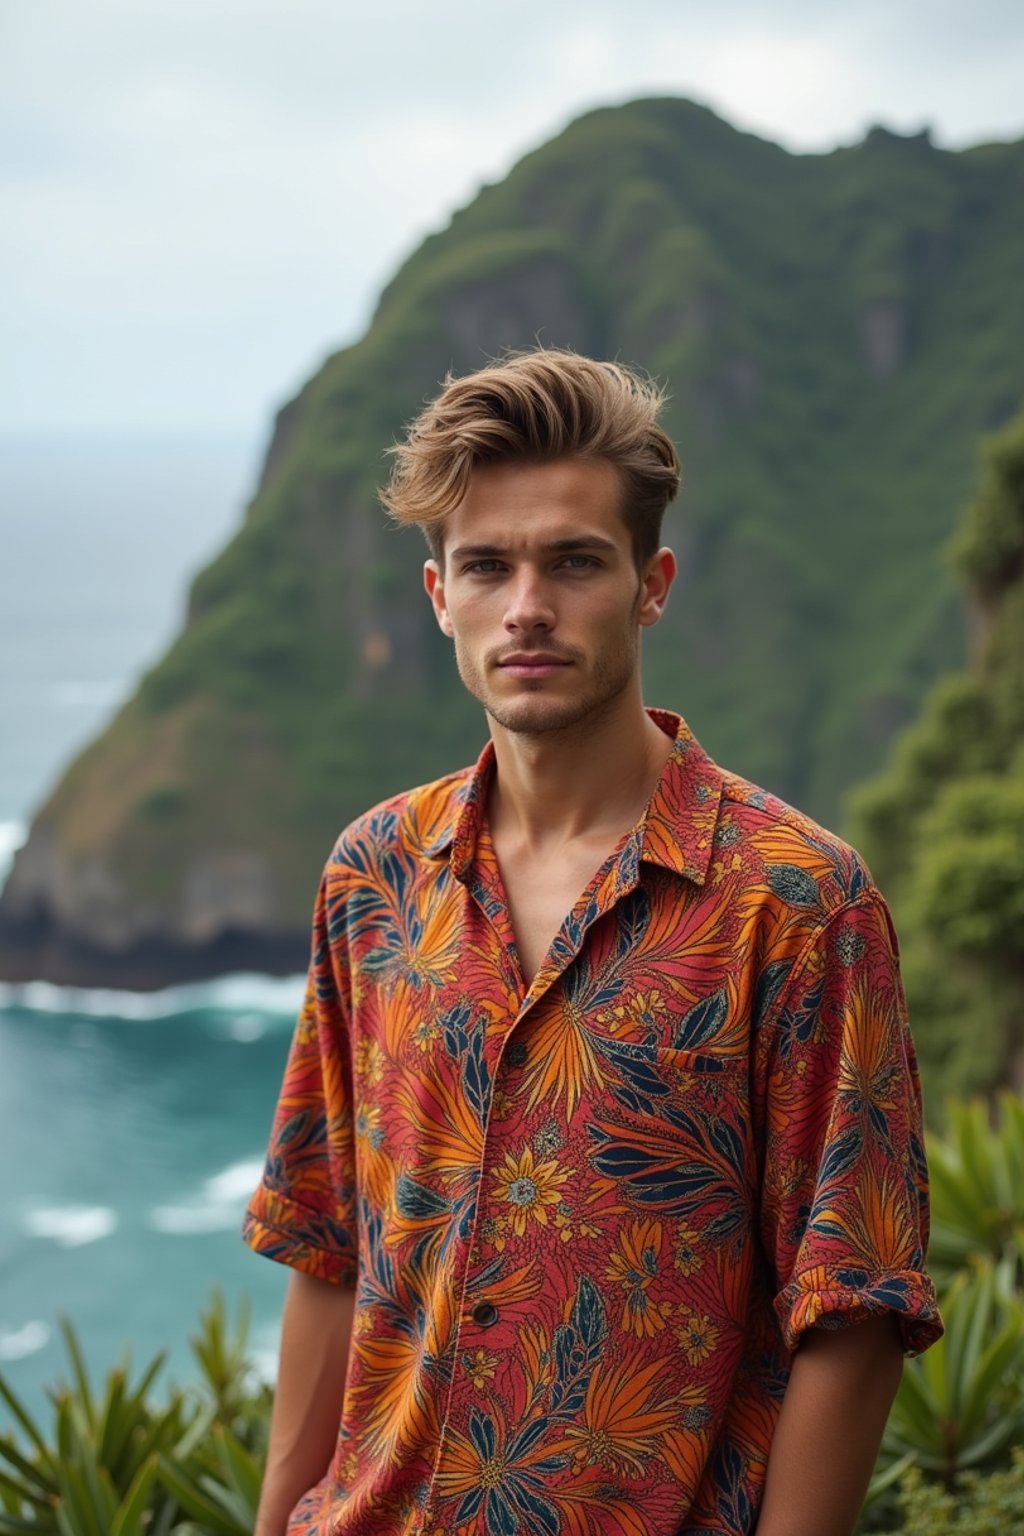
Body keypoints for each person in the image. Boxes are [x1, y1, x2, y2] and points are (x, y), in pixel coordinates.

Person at [243, 349, 941, 1536]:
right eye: (487, 567)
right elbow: (326, 1239)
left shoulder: (795, 903)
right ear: (437, 597)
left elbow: (855, 1308)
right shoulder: (373, 875)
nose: (527, 607)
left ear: (650, 583)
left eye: (573, 561)